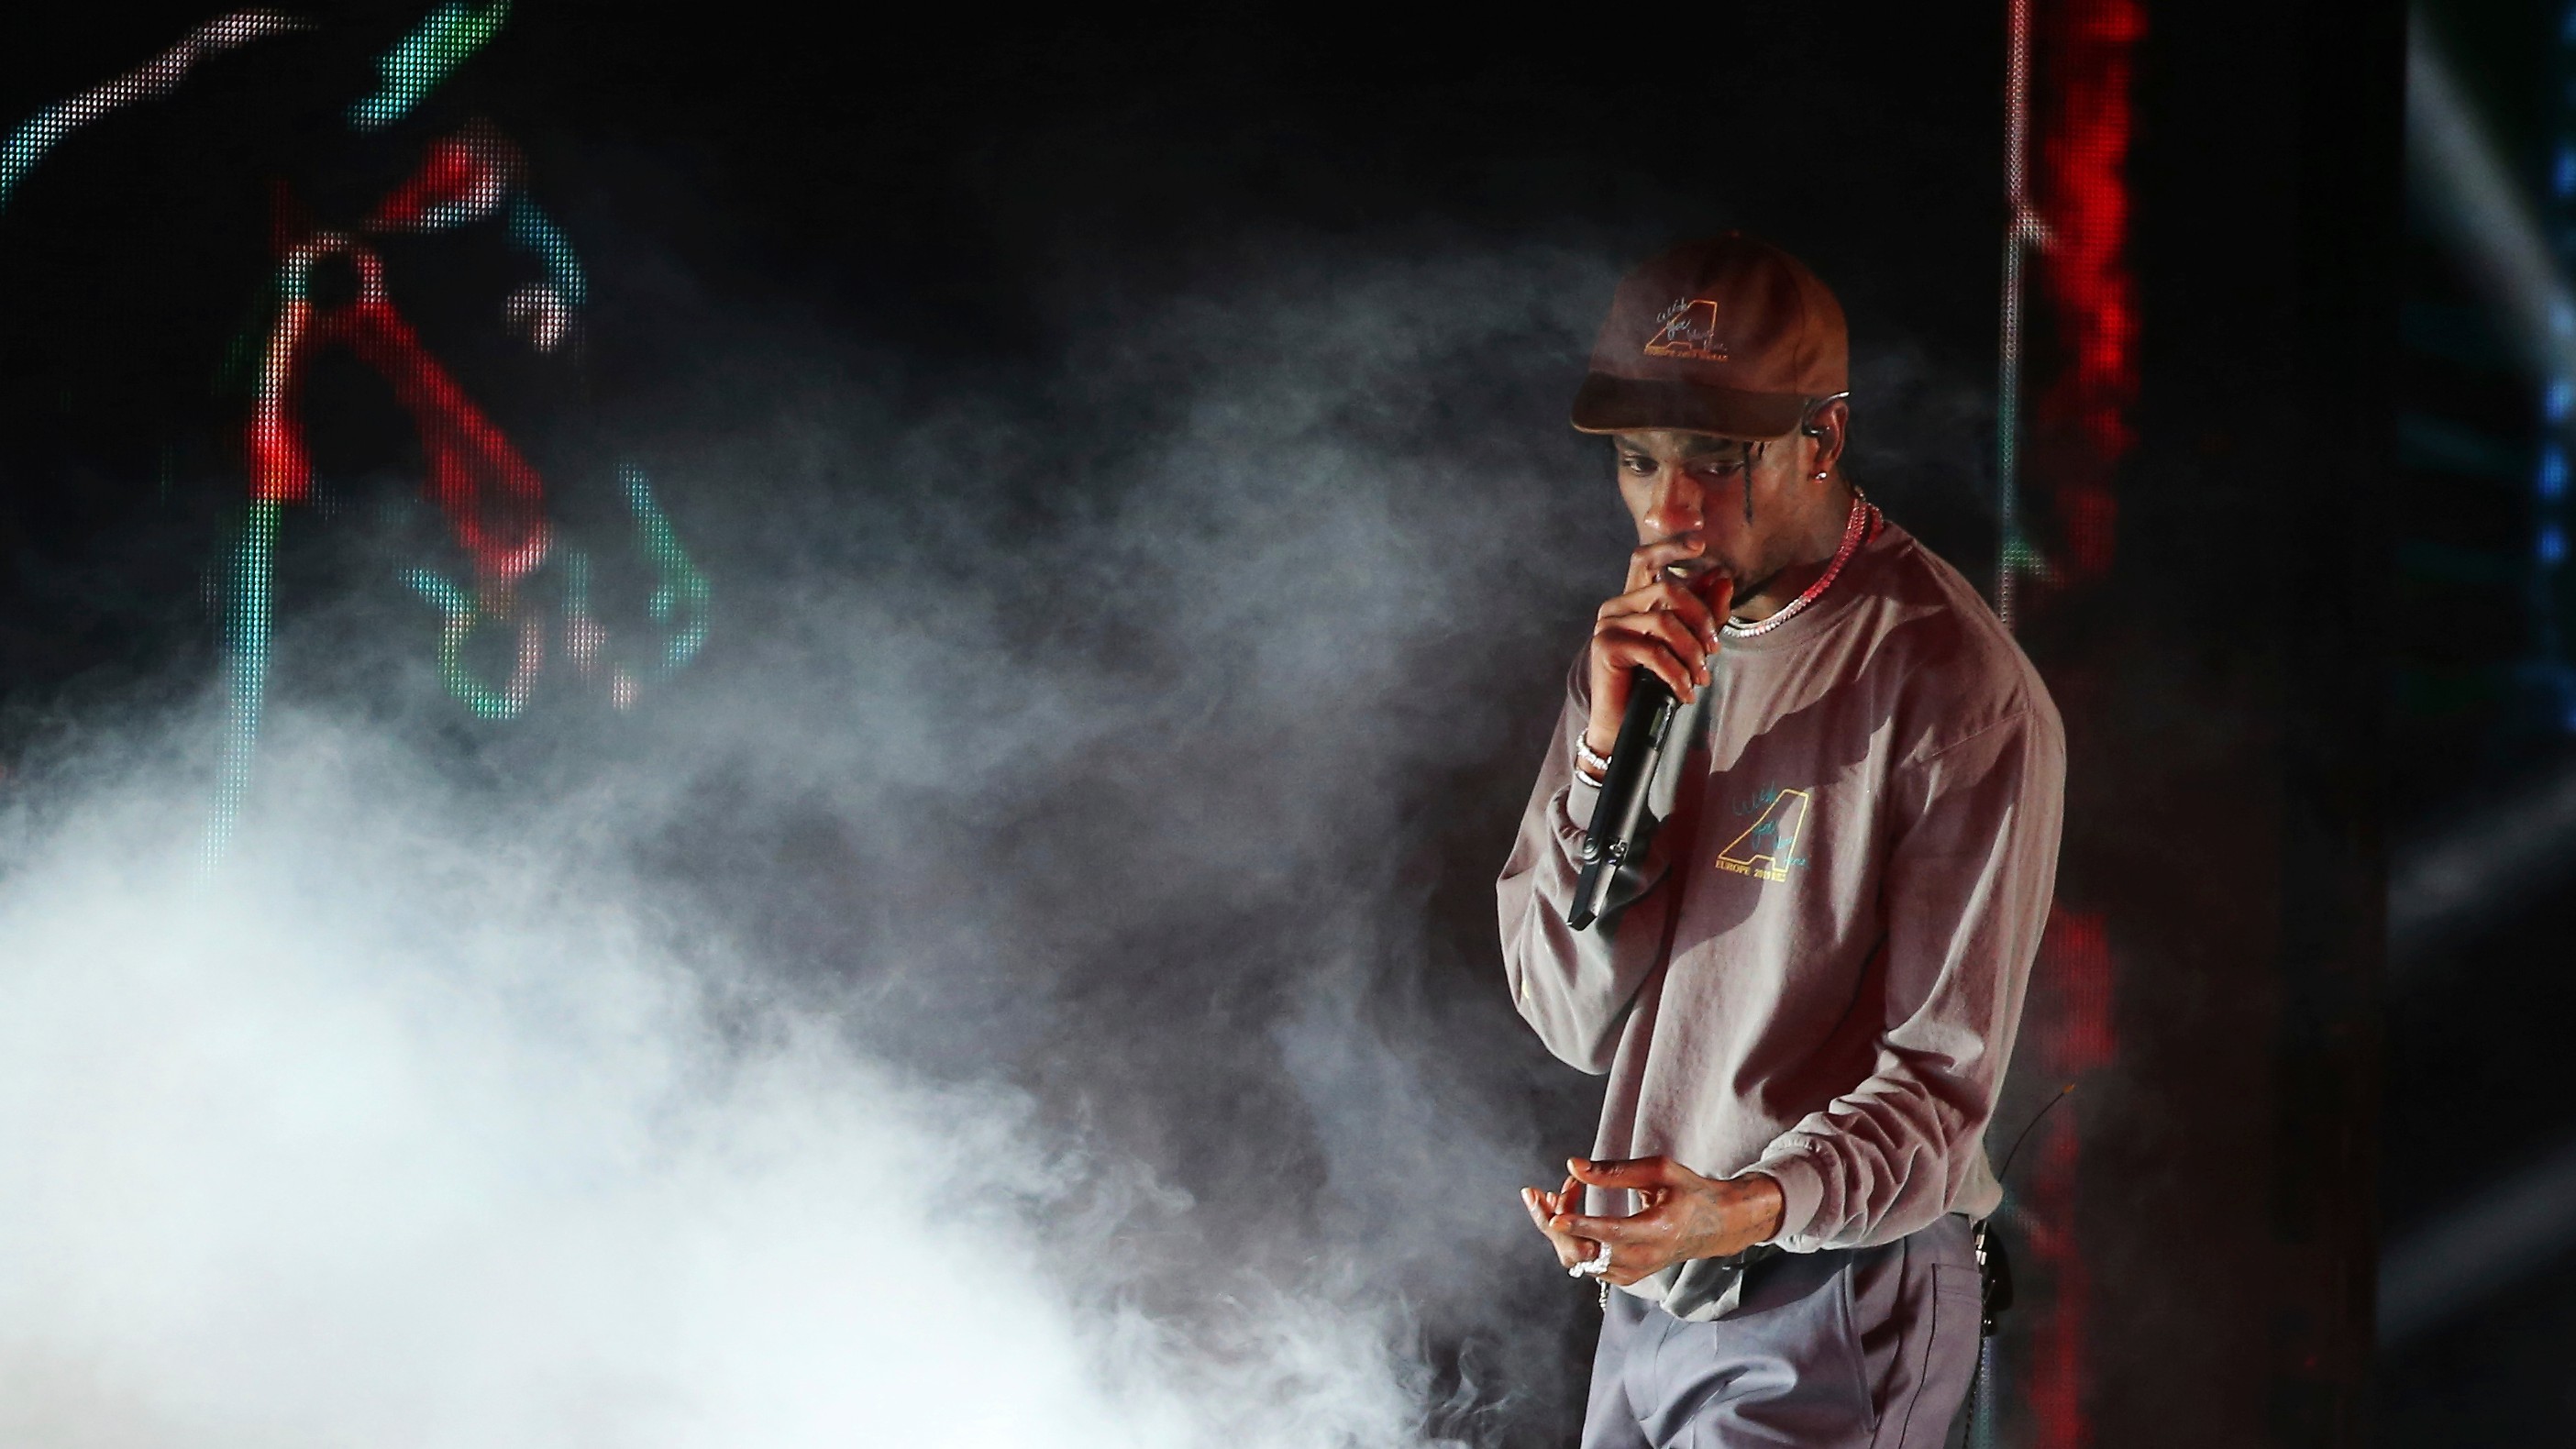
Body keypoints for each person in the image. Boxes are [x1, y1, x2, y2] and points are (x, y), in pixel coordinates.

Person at [1497, 232, 2065, 1448]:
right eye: (1640, 462)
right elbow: (1565, 1009)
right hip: (1652, 1294)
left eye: (1715, 459)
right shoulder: (1642, 654)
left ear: (1821, 439)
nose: (1671, 510)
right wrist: (1605, 761)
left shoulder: (1952, 687)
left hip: (1833, 1296)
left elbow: (1934, 1094)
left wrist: (1743, 1208)